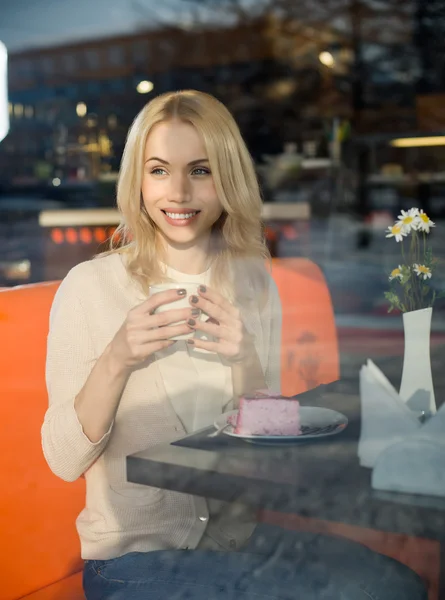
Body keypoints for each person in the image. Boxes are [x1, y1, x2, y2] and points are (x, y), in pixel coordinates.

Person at [42, 90, 427, 600]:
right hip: (131, 563)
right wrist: (117, 358)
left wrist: (244, 358)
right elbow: (62, 460)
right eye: (158, 170)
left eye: (200, 171)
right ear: (137, 180)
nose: (177, 192)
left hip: (234, 544)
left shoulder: (253, 284)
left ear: (228, 180)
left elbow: (266, 445)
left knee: (392, 583)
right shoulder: (90, 287)